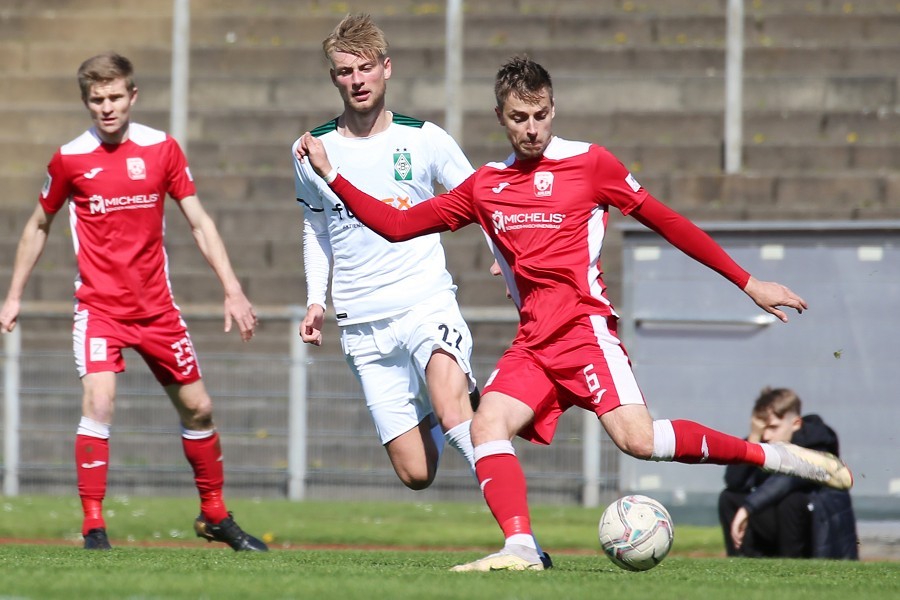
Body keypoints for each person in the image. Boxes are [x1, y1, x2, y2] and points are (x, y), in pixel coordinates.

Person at [295, 55, 853, 571]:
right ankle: (520, 548)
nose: (532, 127)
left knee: (637, 440)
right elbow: (398, 226)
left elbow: (668, 221)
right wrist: (332, 175)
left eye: (540, 114)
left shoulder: (590, 164)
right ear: (500, 117)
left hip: (586, 332)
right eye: (519, 117)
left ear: (553, 109)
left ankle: (776, 457)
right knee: (486, 425)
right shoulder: (486, 185)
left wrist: (748, 281)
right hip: (534, 342)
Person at [0, 53, 267, 552]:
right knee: (99, 403)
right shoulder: (69, 159)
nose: (107, 107)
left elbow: (200, 222)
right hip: (99, 310)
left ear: (132, 96)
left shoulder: (162, 150)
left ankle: (214, 516)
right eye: (97, 100)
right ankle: (94, 528)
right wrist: (13, 295)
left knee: (200, 409)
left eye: (115, 97)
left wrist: (232, 289)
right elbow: (38, 224)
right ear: (86, 102)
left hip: (159, 312)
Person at [719, 387, 858, 559]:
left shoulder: (817, 440)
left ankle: (791, 563)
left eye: (773, 427)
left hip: (817, 528)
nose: (767, 436)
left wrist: (747, 509)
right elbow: (734, 482)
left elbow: (787, 479)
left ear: (796, 424)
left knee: (792, 501)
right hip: (783, 524)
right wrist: (753, 440)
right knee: (729, 497)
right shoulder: (765, 442)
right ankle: (742, 564)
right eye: (763, 429)